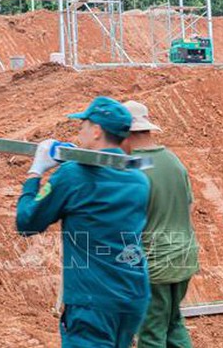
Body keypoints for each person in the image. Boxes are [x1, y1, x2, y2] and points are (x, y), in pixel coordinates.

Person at [16, 96, 151, 347]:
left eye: (84, 124)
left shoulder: (73, 176)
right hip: (132, 296)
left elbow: (26, 222)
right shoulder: (138, 178)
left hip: (93, 302)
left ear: (97, 130)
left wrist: (36, 172)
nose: (80, 130)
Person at [121, 101, 199, 348]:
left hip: (155, 264)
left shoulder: (133, 167)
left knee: (151, 334)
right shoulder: (172, 161)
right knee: (174, 323)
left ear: (125, 133)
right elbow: (188, 207)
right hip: (183, 256)